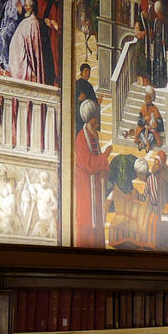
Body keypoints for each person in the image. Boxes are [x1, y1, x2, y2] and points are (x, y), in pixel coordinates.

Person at [72, 99, 110, 248]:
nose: (98, 124)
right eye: (95, 121)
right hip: (87, 189)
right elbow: (88, 163)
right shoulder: (82, 137)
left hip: (96, 189)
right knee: (87, 221)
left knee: (98, 223)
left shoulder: (93, 135)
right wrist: (104, 156)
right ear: (89, 119)